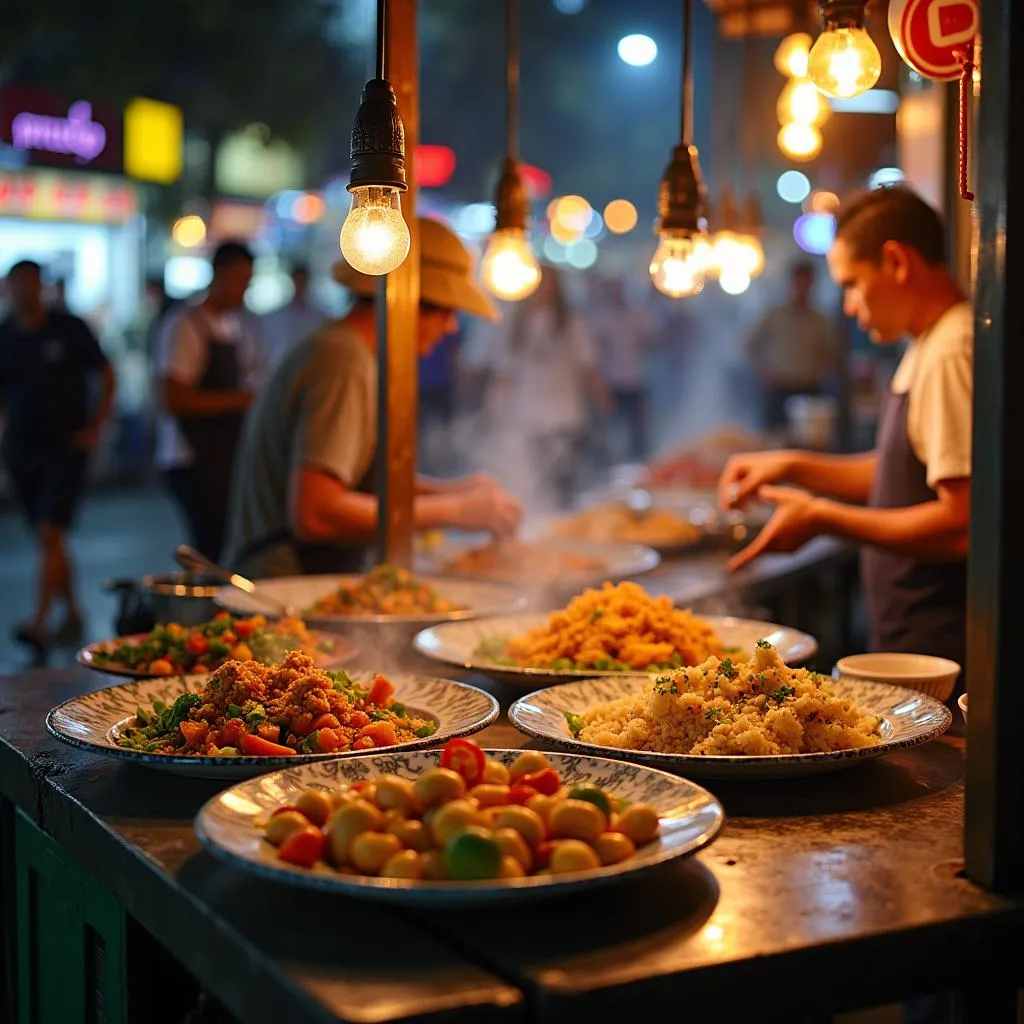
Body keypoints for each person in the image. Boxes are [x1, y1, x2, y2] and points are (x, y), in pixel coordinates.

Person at [719, 185, 971, 679]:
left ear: (897, 262)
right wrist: (795, 466)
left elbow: (961, 522)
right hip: (916, 637)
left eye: (853, 284)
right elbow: (901, 470)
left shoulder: (950, 351)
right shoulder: (928, 342)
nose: (851, 307)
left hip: (941, 645)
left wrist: (824, 518)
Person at [223, 217, 523, 578]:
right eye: (448, 310)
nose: (451, 327)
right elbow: (316, 513)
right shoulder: (343, 361)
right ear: (408, 301)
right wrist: (455, 511)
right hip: (281, 589)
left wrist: (454, 493)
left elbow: (361, 486)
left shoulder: (343, 350)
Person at [0, 260, 116, 653]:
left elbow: (106, 372)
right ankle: (72, 612)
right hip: (21, 450)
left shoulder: (68, 328)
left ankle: (39, 621)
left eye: (31, 283)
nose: (24, 291)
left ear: (41, 287)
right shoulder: (6, 335)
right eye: (18, 284)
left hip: (66, 449)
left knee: (51, 531)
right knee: (49, 538)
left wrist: (97, 425)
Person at [155, 241, 265, 561]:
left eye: (249, 280)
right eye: (241, 279)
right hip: (189, 457)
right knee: (209, 542)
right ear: (219, 274)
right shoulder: (184, 325)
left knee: (223, 541)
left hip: (222, 455)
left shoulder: (231, 325)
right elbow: (173, 399)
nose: (244, 289)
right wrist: (241, 400)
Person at [480, 267, 611, 509]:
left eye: (550, 285)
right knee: (532, 484)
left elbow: (588, 367)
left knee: (564, 486)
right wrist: (494, 412)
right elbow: (504, 374)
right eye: (540, 285)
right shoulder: (515, 325)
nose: (545, 291)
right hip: (528, 419)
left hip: (567, 418)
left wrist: (603, 402)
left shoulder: (572, 323)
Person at [745, 259, 836, 432]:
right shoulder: (776, 314)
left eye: (807, 282)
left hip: (808, 390)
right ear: (791, 283)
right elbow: (750, 345)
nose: (802, 288)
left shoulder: (819, 320)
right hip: (780, 388)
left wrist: (822, 372)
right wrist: (764, 371)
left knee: (807, 441)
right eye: (799, 282)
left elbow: (829, 353)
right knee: (775, 438)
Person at [590, 276, 656, 462]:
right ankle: (614, 469)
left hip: (636, 380)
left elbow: (653, 340)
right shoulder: (601, 318)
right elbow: (595, 353)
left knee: (639, 433)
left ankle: (640, 466)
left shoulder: (638, 315)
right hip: (613, 382)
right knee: (612, 434)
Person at [261, 264, 326, 368]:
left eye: (302, 281)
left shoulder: (318, 316)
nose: (299, 285)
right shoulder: (277, 316)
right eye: (297, 280)